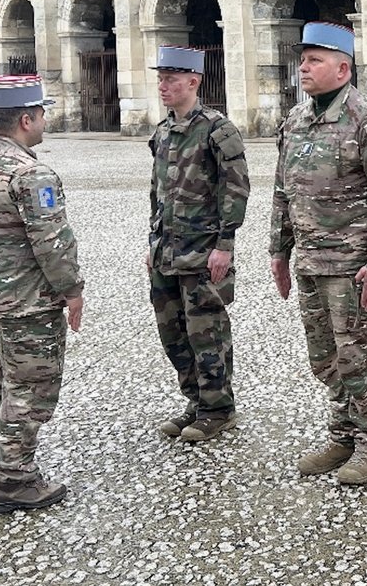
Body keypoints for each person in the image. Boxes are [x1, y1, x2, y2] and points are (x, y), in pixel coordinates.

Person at [271, 22, 367, 485]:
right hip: (310, 260)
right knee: (324, 357)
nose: (303, 67)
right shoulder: (296, 119)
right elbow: (282, 189)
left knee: (356, 355)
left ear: (342, 68)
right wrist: (278, 251)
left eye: (314, 60)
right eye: (303, 59)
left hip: (352, 266)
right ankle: (343, 431)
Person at [0, 75, 84, 513]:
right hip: (26, 303)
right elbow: (52, 243)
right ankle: (15, 480)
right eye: (41, 113)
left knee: (3, 385)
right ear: (26, 119)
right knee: (30, 390)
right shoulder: (31, 173)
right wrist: (72, 290)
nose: (45, 120)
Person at [148, 45, 250, 442]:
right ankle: (195, 401)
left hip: (203, 251)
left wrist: (225, 244)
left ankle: (218, 408)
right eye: (161, 79)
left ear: (193, 81)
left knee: (206, 332)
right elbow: (156, 192)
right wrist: (152, 240)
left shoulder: (216, 129)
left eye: (171, 79)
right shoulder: (163, 131)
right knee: (173, 334)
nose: (163, 85)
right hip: (166, 252)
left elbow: (236, 189)